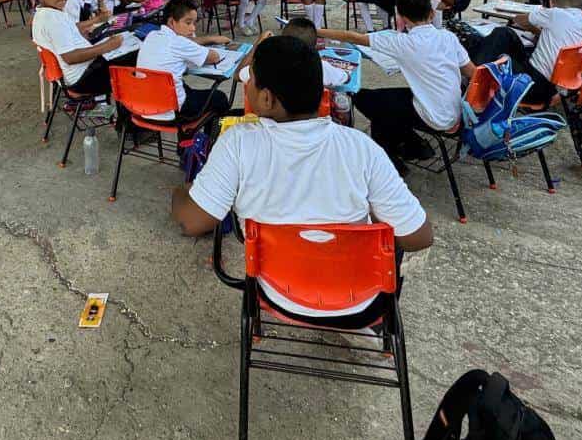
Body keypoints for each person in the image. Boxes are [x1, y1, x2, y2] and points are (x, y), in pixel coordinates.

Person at [171, 35, 433, 319]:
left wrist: (180, 193)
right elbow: (418, 237)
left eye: (252, 81)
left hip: (275, 290)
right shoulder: (362, 147)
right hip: (361, 301)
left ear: (267, 98)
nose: (247, 85)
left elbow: (192, 222)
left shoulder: (237, 143)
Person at [323, 0, 474, 173]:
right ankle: (411, 147)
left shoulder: (402, 42)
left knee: (364, 98)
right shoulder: (448, 37)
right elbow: (473, 72)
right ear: (431, 13)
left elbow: (353, 37)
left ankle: (393, 163)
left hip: (435, 117)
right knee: (387, 103)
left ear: (401, 17)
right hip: (458, 111)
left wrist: (317, 31)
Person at [490, 0, 582, 106]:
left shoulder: (554, 13)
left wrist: (538, 21)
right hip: (552, 90)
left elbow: (518, 19)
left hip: (528, 85)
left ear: (551, 3)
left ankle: (474, 75)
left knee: (503, 34)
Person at [31, 0, 139, 97]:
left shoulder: (49, 12)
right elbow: (70, 57)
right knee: (138, 58)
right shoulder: (51, 19)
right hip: (83, 78)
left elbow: (66, 38)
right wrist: (107, 46)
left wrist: (82, 36)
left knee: (130, 49)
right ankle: (133, 111)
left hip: (84, 69)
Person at [136, 0, 231, 124]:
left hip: (144, 105)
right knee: (219, 98)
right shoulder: (178, 42)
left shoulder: (152, 35)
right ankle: (211, 140)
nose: (192, 29)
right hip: (171, 110)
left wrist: (208, 39)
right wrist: (210, 41)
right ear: (171, 22)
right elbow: (214, 57)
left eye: (194, 23)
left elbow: (186, 44)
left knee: (185, 87)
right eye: (188, 23)